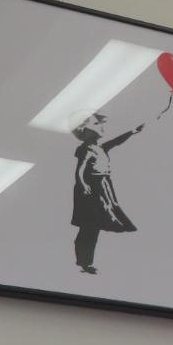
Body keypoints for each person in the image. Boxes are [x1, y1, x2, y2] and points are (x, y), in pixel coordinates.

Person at [70, 112, 143, 274]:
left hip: (103, 186)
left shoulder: (101, 147)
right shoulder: (86, 149)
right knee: (89, 226)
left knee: (94, 226)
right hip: (90, 189)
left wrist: (133, 131)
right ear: (84, 130)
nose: (102, 126)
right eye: (97, 124)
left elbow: (116, 141)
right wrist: (84, 185)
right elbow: (80, 171)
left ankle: (85, 262)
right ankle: (84, 262)